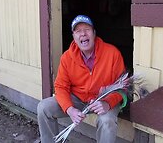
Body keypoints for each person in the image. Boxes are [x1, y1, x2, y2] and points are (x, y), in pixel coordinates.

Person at [37, 15, 126, 143]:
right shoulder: (67, 57)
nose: (83, 34)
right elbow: (61, 87)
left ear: (94, 33)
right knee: (43, 107)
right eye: (78, 31)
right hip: (78, 99)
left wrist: (108, 103)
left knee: (107, 121)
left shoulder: (112, 53)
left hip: (104, 99)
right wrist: (70, 109)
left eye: (87, 29)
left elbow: (122, 86)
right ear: (73, 36)